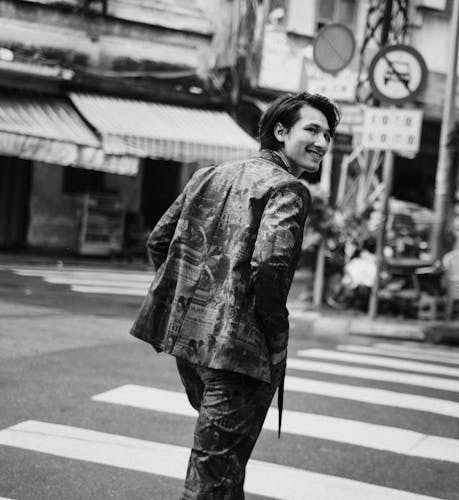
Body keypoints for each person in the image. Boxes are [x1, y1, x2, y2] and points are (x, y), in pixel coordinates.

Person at [130, 91, 339, 499]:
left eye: (328, 135)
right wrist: (276, 336)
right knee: (213, 475)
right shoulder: (287, 190)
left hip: (191, 346)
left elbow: (160, 242)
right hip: (240, 355)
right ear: (280, 132)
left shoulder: (207, 175)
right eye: (312, 130)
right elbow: (269, 266)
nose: (322, 143)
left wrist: (192, 305)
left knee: (223, 467)